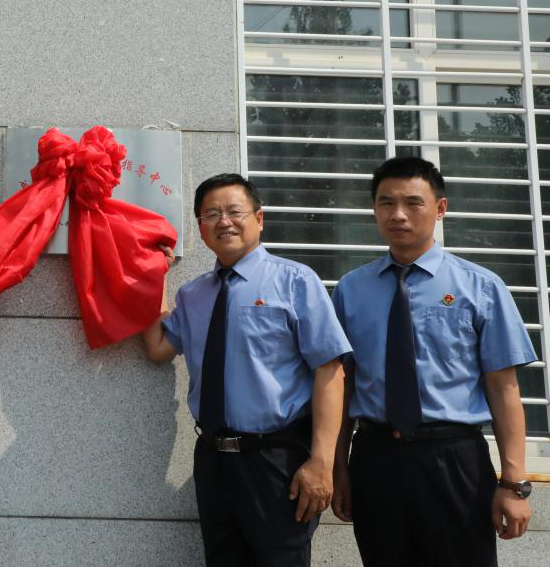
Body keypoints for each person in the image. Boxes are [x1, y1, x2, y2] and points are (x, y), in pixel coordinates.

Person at [330, 157, 535, 565]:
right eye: (386, 203)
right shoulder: (350, 291)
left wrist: (514, 483)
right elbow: (341, 389)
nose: (398, 214)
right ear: (374, 209)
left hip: (454, 458)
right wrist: (337, 469)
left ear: (440, 208)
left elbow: (503, 389)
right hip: (375, 457)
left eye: (413, 202)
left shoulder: (480, 287)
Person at [142, 173, 351, 567]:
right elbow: (158, 348)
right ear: (200, 226)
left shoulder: (295, 281)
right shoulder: (193, 295)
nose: (224, 222)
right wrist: (154, 277)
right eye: (211, 214)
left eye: (234, 212)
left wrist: (322, 462)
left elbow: (330, 370)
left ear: (259, 218)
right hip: (214, 460)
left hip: (278, 460)